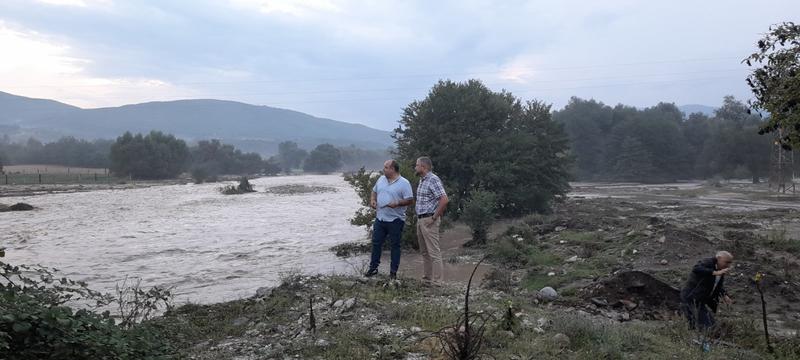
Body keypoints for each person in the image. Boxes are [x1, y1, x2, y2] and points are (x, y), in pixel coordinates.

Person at [364, 160, 414, 280]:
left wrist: (397, 203)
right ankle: (373, 268)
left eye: (386, 167)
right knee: (376, 243)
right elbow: (374, 191)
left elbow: (410, 200)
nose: (384, 169)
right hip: (380, 218)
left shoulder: (404, 183)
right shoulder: (381, 179)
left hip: (395, 219)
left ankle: (393, 272)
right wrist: (373, 200)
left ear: (393, 169)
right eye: (384, 167)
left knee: (395, 245)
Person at [414, 156, 448, 284]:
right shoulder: (422, 180)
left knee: (433, 251)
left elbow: (444, 199)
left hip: (429, 219)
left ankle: (438, 282)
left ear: (424, 167)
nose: (415, 167)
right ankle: (427, 279)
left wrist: (434, 218)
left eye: (417, 165)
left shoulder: (433, 179)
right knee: (424, 251)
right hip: (420, 219)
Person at [680, 251, 735, 330]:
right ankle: (700, 340)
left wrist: (724, 295)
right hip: (691, 297)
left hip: (700, 300)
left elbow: (716, 284)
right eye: (727, 262)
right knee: (706, 325)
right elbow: (696, 268)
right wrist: (715, 272)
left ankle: (696, 340)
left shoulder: (720, 270)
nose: (728, 265)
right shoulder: (708, 262)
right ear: (718, 258)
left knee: (707, 323)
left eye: (730, 263)